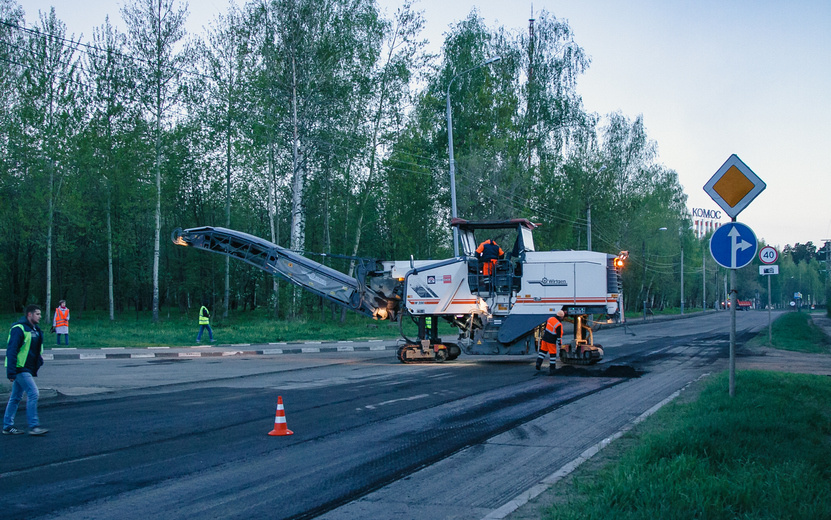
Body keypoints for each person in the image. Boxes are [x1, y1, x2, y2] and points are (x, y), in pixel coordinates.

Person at [4, 304, 48, 435]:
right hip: (19, 368)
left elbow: (35, 349)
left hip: (27, 368)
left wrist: (38, 361)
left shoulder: (35, 329)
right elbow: (12, 351)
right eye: (38, 314)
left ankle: (7, 426)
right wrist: (11, 372)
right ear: (30, 314)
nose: (40, 316)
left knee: (16, 397)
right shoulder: (19, 329)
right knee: (33, 393)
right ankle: (34, 426)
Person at [536, 310, 564, 375]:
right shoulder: (559, 325)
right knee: (553, 355)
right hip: (551, 341)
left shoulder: (550, 319)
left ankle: (538, 363)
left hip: (545, 338)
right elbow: (559, 336)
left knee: (542, 352)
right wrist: (560, 344)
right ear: (561, 317)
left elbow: (546, 327)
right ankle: (552, 369)